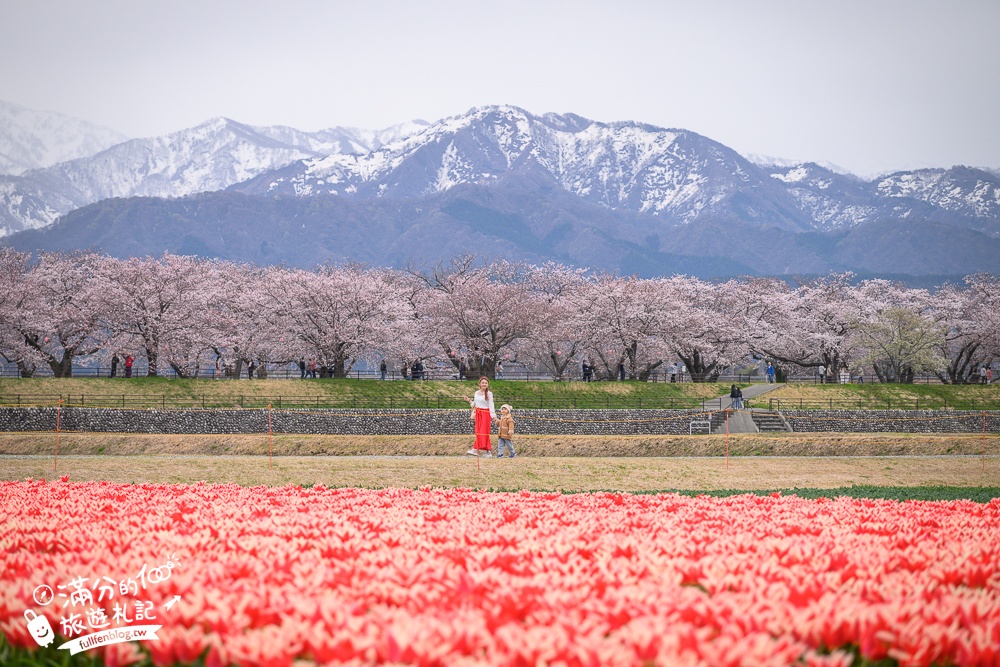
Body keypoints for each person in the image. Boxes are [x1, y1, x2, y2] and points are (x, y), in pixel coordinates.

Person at [463, 376, 496, 458]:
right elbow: (475, 405)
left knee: (484, 432)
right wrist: (469, 401)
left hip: (485, 414)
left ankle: (484, 450)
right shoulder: (476, 392)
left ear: (488, 384)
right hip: (478, 413)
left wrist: (493, 416)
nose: (484, 384)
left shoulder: (489, 394)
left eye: (486, 383)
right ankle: (480, 450)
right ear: (480, 384)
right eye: (483, 383)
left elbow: (491, 405)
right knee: (478, 431)